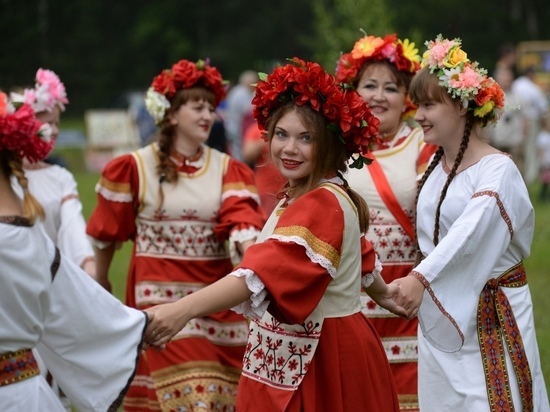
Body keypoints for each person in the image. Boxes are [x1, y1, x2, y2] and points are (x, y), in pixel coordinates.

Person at [144, 58, 407, 411]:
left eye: (305, 138)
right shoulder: (309, 193)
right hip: (302, 351)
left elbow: (260, 275)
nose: (288, 148)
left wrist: (182, 310)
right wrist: (385, 292)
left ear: (329, 146)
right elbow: (359, 255)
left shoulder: (321, 201)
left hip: (325, 355)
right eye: (281, 134)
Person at [86, 58, 266, 411]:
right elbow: (106, 234)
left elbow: (242, 218)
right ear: (170, 114)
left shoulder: (227, 168)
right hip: (159, 306)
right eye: (197, 106)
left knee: (216, 400)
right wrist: (102, 282)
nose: (207, 115)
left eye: (211, 108)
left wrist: (252, 250)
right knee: (191, 399)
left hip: (216, 310)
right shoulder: (134, 168)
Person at [395, 35, 550, 411]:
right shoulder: (435, 170)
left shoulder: (499, 172)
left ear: (462, 106)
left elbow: (472, 229)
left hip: (491, 319)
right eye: (418, 105)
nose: (419, 115)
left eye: (430, 105)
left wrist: (420, 278)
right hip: (441, 317)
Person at [0, 91, 148, 412]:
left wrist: (91, 268)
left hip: (45, 286)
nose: (51, 130)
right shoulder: (25, 229)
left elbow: (72, 230)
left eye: (56, 123)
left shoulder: (57, 180)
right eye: (44, 122)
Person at [335, 32, 437, 411]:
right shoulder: (336, 150)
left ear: (407, 98)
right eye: (369, 86)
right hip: (350, 295)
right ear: (353, 92)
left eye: (390, 87)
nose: (379, 96)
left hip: (407, 296)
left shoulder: (422, 146)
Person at [10, 68, 96, 279]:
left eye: (57, 123)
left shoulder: (60, 177)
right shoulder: (5, 178)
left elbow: (72, 229)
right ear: (26, 124)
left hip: (52, 282)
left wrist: (89, 264)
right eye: (49, 123)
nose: (56, 131)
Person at [512, 65, 549, 184]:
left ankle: (517, 174)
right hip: (531, 120)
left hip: (515, 119)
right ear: (531, 74)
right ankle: (530, 175)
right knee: (531, 149)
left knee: (518, 148)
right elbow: (542, 108)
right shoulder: (534, 88)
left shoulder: (516, 84)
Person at [242, 120, 286, 217]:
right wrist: (266, 137)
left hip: (288, 191)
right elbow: (247, 155)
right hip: (265, 192)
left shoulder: (287, 128)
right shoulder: (256, 129)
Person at [489, 66, 528, 174]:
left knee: (517, 170)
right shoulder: (492, 97)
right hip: (497, 141)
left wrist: (524, 136)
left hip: (515, 141)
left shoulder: (518, 96)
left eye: (508, 76)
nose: (506, 79)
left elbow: (525, 118)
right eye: (503, 76)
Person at [223, 69, 258, 161]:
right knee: (238, 152)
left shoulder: (236, 91)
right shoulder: (243, 93)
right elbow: (248, 111)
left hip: (232, 125)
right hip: (238, 127)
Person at [536, 109, 550, 202]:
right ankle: (543, 195)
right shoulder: (542, 136)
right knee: (545, 179)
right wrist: (542, 161)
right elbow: (540, 150)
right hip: (546, 161)